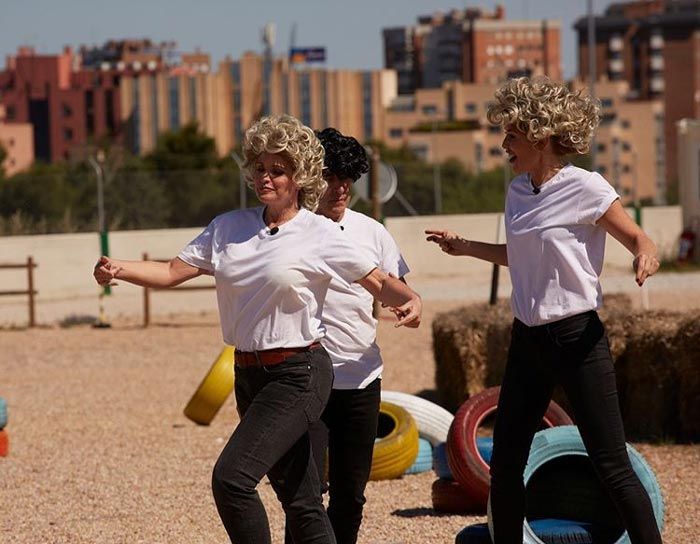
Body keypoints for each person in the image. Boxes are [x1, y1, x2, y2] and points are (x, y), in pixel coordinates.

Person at [93, 114, 422, 544]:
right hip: (247, 375)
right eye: (260, 168)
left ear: (299, 178)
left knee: (232, 479)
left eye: (278, 170)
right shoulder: (228, 227)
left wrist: (411, 300)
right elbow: (172, 271)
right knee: (301, 501)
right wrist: (118, 269)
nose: (265, 178)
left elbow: (378, 281)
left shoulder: (321, 233)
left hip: (299, 374)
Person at [426, 77, 662, 543]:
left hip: (579, 339)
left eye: (511, 135)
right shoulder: (516, 192)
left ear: (538, 136)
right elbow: (520, 253)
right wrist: (465, 247)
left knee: (610, 464)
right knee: (508, 466)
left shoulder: (586, 187)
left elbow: (637, 237)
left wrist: (645, 255)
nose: (504, 144)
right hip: (528, 340)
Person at [283, 128, 413, 544]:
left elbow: (399, 288)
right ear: (309, 180)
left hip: (362, 379)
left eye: (347, 179)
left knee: (350, 496)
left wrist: (413, 305)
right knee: (304, 496)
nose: (339, 188)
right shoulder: (290, 231)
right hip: (306, 381)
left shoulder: (373, 232)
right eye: (330, 178)